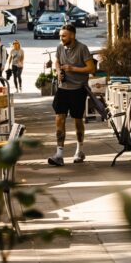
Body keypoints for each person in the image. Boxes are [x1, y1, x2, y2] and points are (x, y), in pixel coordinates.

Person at [48, 23, 96, 167]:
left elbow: (91, 68)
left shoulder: (82, 48)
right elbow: (57, 61)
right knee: (59, 119)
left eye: (64, 36)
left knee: (77, 121)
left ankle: (79, 151)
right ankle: (59, 154)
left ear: (73, 36)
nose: (61, 38)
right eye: (60, 36)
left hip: (78, 89)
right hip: (63, 88)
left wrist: (72, 68)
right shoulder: (59, 47)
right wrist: (58, 71)